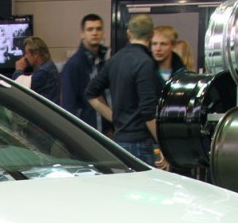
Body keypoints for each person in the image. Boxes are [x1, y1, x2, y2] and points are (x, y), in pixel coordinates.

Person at [85, 14, 166, 168]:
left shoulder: (115, 60)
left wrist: (115, 117)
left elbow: (91, 93)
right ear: (151, 34)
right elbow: (148, 111)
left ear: (129, 33)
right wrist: (163, 145)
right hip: (141, 142)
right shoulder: (145, 63)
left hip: (119, 140)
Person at [60, 13, 109, 130]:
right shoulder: (73, 65)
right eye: (90, 29)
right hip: (86, 131)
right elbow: (69, 105)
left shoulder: (104, 62)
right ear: (82, 34)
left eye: (98, 29)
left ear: (103, 32)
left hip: (106, 131)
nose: (95, 33)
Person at [12, 36, 60, 103]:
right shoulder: (48, 66)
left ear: (36, 54)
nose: (25, 57)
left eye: (27, 53)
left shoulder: (43, 72)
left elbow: (19, 87)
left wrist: (19, 69)